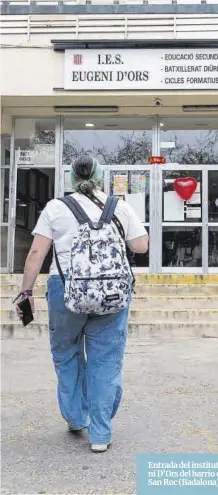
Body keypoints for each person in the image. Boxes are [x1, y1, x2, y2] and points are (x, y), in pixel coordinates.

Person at [15, 156, 148, 453]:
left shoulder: (56, 207)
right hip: (111, 291)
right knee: (105, 360)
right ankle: (100, 434)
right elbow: (141, 246)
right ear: (101, 177)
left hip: (65, 290)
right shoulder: (120, 206)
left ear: (71, 179)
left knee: (66, 353)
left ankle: (76, 418)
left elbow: (37, 253)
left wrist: (26, 292)